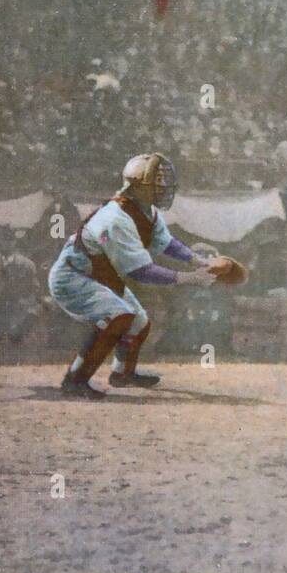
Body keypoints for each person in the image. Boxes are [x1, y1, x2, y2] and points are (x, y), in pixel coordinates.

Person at [46, 153, 217, 399]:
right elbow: (141, 271)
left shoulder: (146, 210)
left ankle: (122, 373)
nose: (164, 189)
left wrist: (198, 261)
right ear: (138, 185)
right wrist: (189, 278)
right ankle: (74, 379)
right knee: (119, 317)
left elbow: (166, 242)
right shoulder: (116, 218)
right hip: (73, 277)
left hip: (100, 276)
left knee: (139, 321)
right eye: (157, 183)